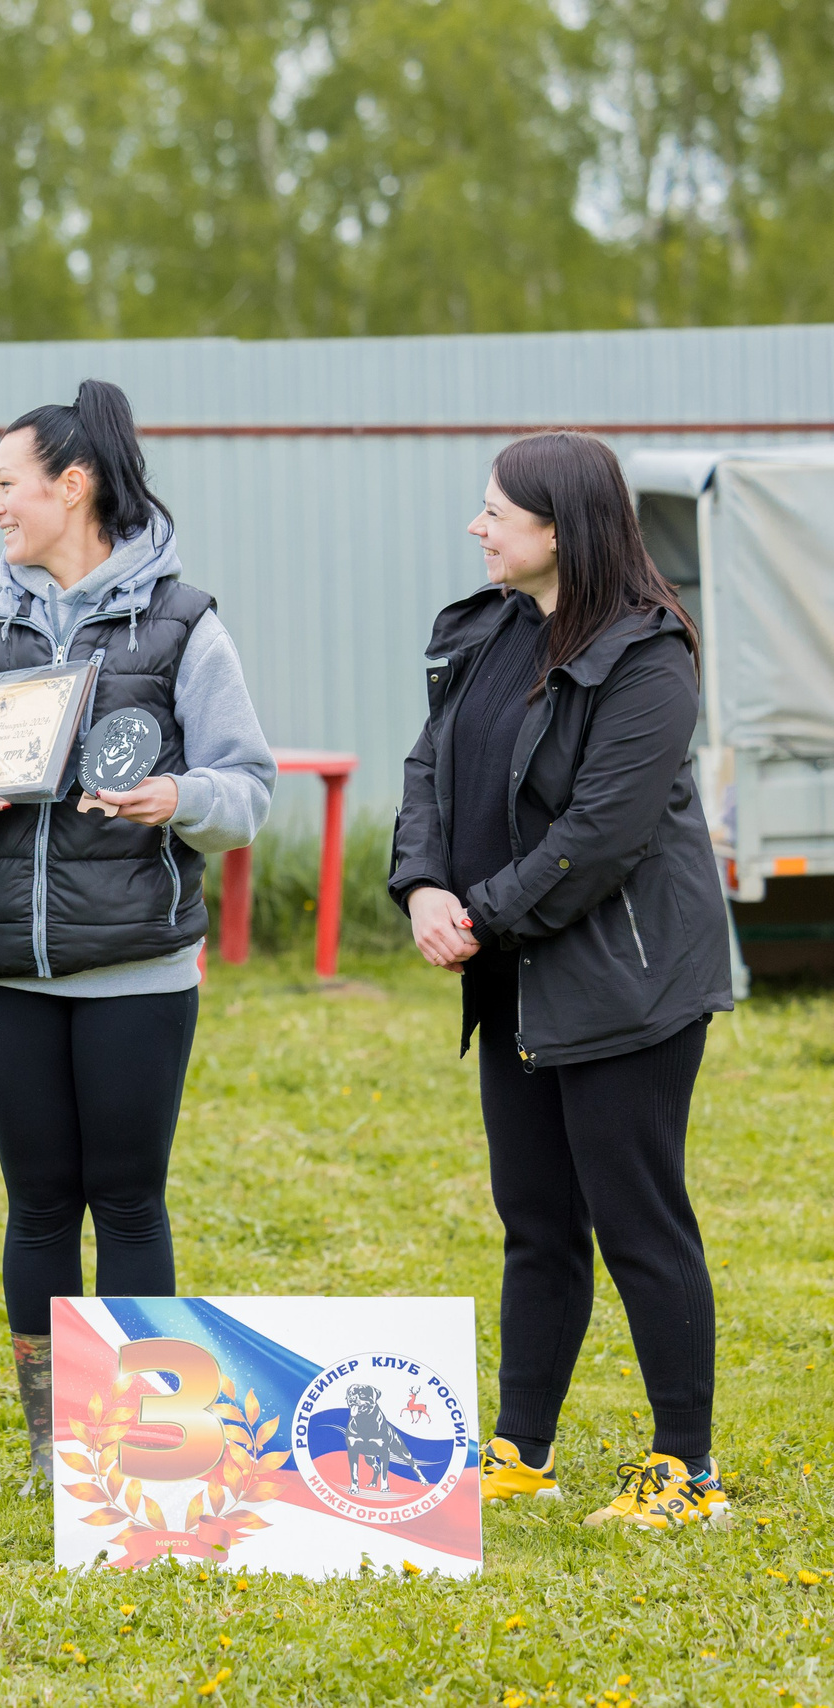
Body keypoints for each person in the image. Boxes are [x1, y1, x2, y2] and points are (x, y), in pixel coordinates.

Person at [0, 379, 273, 1488]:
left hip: (137, 969)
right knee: (40, 1203)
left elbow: (248, 790)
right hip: (3, 966)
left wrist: (175, 798)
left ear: (72, 484)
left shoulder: (185, 623)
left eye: (6, 484)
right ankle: (61, 1448)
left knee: (131, 1198)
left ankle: (152, 1443)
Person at [390, 431, 734, 1530]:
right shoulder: (488, 631)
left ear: (559, 530)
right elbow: (428, 768)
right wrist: (423, 886)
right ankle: (518, 1450)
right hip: (515, 976)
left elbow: (602, 834)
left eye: (497, 511)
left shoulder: (649, 656)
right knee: (535, 1218)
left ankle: (685, 1467)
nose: (477, 526)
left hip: (624, 984)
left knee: (639, 1221)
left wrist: (479, 917)